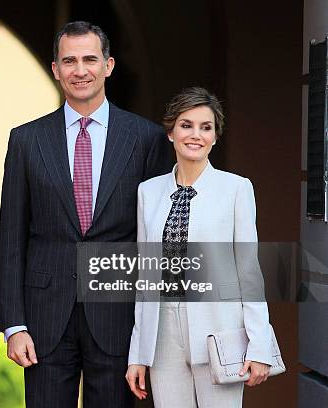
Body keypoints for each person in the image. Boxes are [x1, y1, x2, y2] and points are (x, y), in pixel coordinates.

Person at [0, 21, 171, 407]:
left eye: (90, 59)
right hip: (44, 318)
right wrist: (13, 325)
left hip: (117, 314)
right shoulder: (26, 140)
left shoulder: (146, 139)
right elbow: (10, 237)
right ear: (56, 69)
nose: (80, 70)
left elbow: (153, 239)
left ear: (108, 65)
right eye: (69, 60)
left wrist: (150, 329)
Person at [125, 87, 275, 407]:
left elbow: (249, 271)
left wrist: (259, 344)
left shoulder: (236, 189)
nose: (196, 135)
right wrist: (137, 353)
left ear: (215, 137)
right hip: (163, 333)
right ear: (171, 132)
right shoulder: (147, 192)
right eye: (186, 125)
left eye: (206, 127)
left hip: (220, 331)